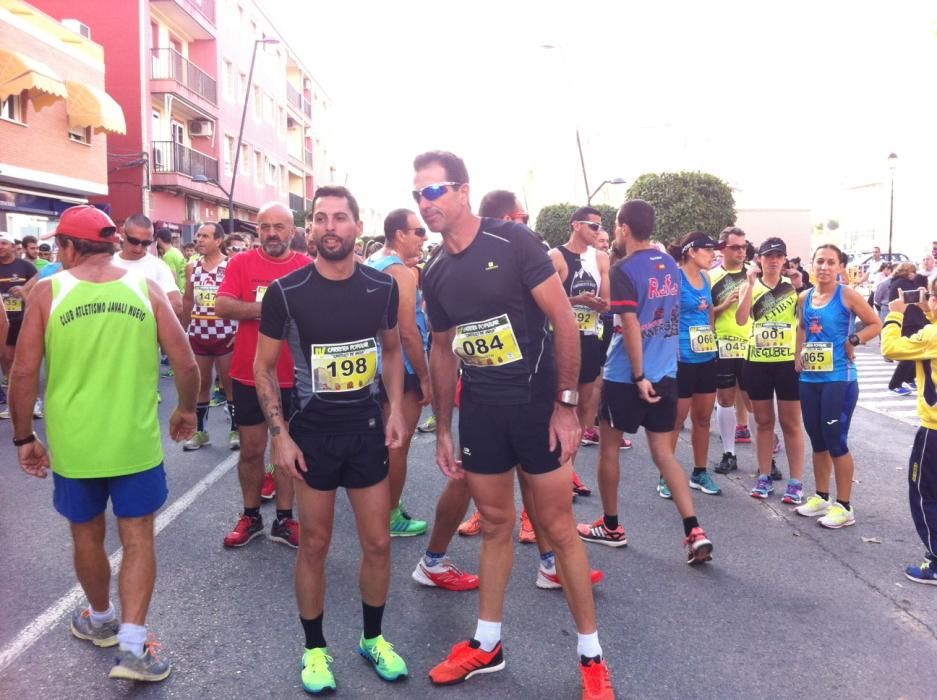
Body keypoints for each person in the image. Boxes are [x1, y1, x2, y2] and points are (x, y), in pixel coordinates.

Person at [415, 151, 613, 697]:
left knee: (557, 528)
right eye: (417, 194)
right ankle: (486, 644)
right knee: (497, 524)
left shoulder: (513, 242)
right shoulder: (434, 271)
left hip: (535, 405)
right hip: (480, 410)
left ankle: (591, 655)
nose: (425, 203)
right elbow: (442, 348)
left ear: (461, 191)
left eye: (434, 191)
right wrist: (445, 426)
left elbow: (564, 320)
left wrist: (567, 405)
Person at [9, 205, 198, 682]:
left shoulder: (48, 292)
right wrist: (186, 410)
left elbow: (24, 371)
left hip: (75, 446)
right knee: (138, 538)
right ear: (113, 243)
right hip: (134, 442)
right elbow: (188, 363)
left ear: (70, 247)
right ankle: (134, 647)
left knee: (87, 535)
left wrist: (24, 436)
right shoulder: (146, 288)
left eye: (59, 247)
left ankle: (99, 619)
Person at [255, 186, 409, 693]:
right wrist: (279, 436)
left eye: (339, 218)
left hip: (365, 432)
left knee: (379, 542)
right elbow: (261, 368)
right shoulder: (286, 292)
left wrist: (391, 408)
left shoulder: (380, 287)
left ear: (356, 226)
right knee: (315, 545)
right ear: (311, 228)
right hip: (313, 436)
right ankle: (315, 650)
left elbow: (391, 351)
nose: (329, 227)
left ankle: (372, 639)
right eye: (320, 218)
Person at [454, 191, 604, 589]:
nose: (526, 223)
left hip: (530, 390)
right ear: (502, 219)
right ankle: (434, 558)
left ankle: (548, 560)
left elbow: (557, 311)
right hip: (483, 396)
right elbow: (444, 337)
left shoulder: (523, 251)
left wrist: (564, 402)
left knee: (524, 477)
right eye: (520, 215)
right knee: (465, 483)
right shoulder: (454, 263)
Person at [577, 200, 714, 568]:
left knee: (608, 450)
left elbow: (633, 325)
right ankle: (694, 530)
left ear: (623, 227)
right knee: (664, 454)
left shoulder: (624, 269)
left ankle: (611, 526)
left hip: (627, 374)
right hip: (667, 372)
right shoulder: (668, 263)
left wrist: (638, 376)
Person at [215, 202, 311, 549]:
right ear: (258, 231)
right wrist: (272, 309)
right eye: (265, 227)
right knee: (252, 451)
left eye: (279, 227)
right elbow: (223, 306)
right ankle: (251, 515)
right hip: (248, 375)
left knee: (288, 451)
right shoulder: (241, 263)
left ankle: (284, 519)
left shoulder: (306, 267)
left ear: (292, 232)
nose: (271, 233)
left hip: (297, 377)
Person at [796, 244, 882, 527]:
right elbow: (802, 328)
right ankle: (821, 497)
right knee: (817, 439)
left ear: (840, 267)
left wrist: (853, 341)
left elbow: (874, 323)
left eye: (830, 262)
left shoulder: (848, 295)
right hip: (810, 378)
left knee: (836, 440)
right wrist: (798, 355)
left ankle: (844, 506)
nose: (824, 267)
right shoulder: (804, 297)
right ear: (812, 264)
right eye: (820, 261)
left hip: (839, 379)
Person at [366, 209, 432, 536]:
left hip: (372, 364)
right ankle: (389, 516)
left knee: (382, 442)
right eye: (419, 232)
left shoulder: (370, 263)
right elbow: (408, 333)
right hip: (400, 367)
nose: (425, 238)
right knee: (398, 445)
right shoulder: (401, 273)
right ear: (400, 234)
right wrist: (425, 377)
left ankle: (381, 506)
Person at [547, 207, 614, 498]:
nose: (598, 231)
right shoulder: (556, 257)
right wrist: (576, 299)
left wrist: (598, 304)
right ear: (576, 225)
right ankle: (554, 470)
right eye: (592, 226)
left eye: (600, 227)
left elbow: (608, 302)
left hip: (589, 338)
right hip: (560, 340)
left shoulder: (601, 259)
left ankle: (567, 468)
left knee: (585, 406)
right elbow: (546, 299)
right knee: (560, 405)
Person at [735, 238, 806, 502]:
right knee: (764, 422)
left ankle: (796, 481)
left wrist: (801, 353)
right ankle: (764, 476)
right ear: (759, 260)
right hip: (757, 361)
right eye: (768, 256)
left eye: (778, 256)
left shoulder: (794, 287)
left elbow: (806, 322)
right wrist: (750, 285)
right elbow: (741, 319)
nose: (773, 261)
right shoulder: (749, 285)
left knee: (791, 423)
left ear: (785, 259)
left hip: (787, 362)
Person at [882, 278, 937, 583]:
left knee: (924, 493)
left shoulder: (932, 334)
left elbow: (890, 348)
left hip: (934, 430)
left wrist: (896, 313)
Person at [666, 232, 721, 498]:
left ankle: (700, 472)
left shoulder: (706, 277)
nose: (713, 255)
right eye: (708, 250)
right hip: (681, 358)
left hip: (705, 356)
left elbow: (709, 309)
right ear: (690, 251)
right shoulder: (674, 277)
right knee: (676, 419)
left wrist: (711, 335)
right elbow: (665, 314)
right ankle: (666, 475)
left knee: (703, 418)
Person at [180, 222, 238, 451]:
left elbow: (239, 297)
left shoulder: (231, 265)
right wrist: (185, 328)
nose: (199, 240)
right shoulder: (191, 267)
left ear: (218, 240)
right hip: (199, 334)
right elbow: (187, 298)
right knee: (201, 384)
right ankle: (200, 432)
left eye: (205, 236)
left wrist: (239, 329)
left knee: (229, 384)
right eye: (198, 236)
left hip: (225, 334)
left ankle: (236, 430)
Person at [710, 226, 753, 474]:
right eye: (735, 247)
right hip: (723, 344)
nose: (741, 251)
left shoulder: (753, 276)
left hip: (751, 347)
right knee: (725, 400)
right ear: (722, 248)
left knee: (754, 403)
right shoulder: (711, 276)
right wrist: (723, 305)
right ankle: (729, 453)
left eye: (744, 247)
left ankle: (766, 458)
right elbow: (704, 314)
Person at [0, 230, 38, 418]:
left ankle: (34, 401)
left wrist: (23, 291)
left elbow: (39, 289)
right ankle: (11, 401)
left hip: (23, 318)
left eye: (4, 243)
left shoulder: (26, 267)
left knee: (24, 362)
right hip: (3, 320)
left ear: (13, 247)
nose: (0, 247)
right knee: (6, 360)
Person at [111, 216, 182, 318]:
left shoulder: (158, 267)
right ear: (122, 232)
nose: (139, 248)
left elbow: (177, 304)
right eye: (133, 241)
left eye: (146, 243)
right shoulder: (108, 264)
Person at [888, 262, 924, 395]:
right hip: (908, 321)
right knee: (909, 354)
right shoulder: (900, 283)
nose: (914, 274)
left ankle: (909, 378)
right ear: (906, 271)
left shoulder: (906, 282)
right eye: (913, 271)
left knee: (916, 353)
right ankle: (895, 384)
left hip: (914, 321)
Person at [155, 228, 187, 292]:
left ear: (159, 239)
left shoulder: (168, 256)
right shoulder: (176, 251)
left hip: (178, 292)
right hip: (184, 290)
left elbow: (172, 279)